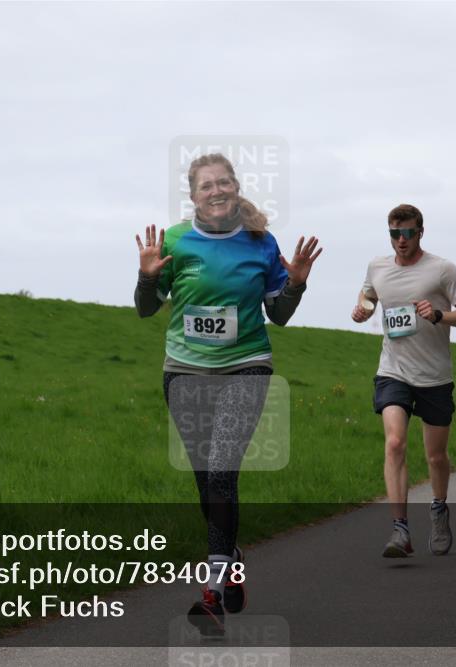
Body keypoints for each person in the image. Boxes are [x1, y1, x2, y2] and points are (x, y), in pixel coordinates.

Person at [134, 153, 321, 635]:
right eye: (205, 186)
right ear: (193, 196)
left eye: (223, 183)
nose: (215, 191)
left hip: (246, 366)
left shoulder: (261, 242)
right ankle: (231, 558)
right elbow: (145, 309)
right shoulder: (175, 240)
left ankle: (212, 593)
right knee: (206, 482)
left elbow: (278, 314)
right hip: (184, 371)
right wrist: (148, 276)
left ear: (236, 188)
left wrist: (296, 284)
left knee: (221, 470)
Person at [351, 203, 456, 558]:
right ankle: (400, 529)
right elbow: (368, 295)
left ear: (421, 232)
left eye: (408, 233)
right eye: (395, 234)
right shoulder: (377, 266)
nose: (401, 240)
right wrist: (362, 309)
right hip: (393, 370)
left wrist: (439, 314)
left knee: (435, 457)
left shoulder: (442, 269)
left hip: (435, 375)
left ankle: (438, 507)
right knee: (394, 443)